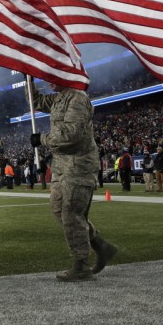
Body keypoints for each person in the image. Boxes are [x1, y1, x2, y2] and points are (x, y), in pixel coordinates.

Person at [28, 80, 118, 281]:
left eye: (51, 74)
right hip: (62, 167)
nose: (47, 79)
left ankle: (81, 265)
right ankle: (100, 245)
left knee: (71, 212)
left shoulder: (77, 98)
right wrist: (28, 79)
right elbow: (36, 101)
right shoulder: (59, 98)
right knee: (59, 209)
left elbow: (72, 133)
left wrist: (42, 139)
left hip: (79, 165)